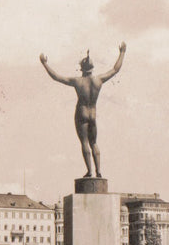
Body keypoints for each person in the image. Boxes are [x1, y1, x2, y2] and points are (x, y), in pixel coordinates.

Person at [39, 42, 127, 179]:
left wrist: (44, 63)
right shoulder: (99, 80)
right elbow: (115, 69)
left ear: (81, 68)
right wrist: (122, 53)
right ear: (92, 67)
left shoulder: (77, 81)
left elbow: (56, 77)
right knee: (94, 143)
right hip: (93, 114)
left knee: (84, 142)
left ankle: (90, 171)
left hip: (81, 113)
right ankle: (98, 171)